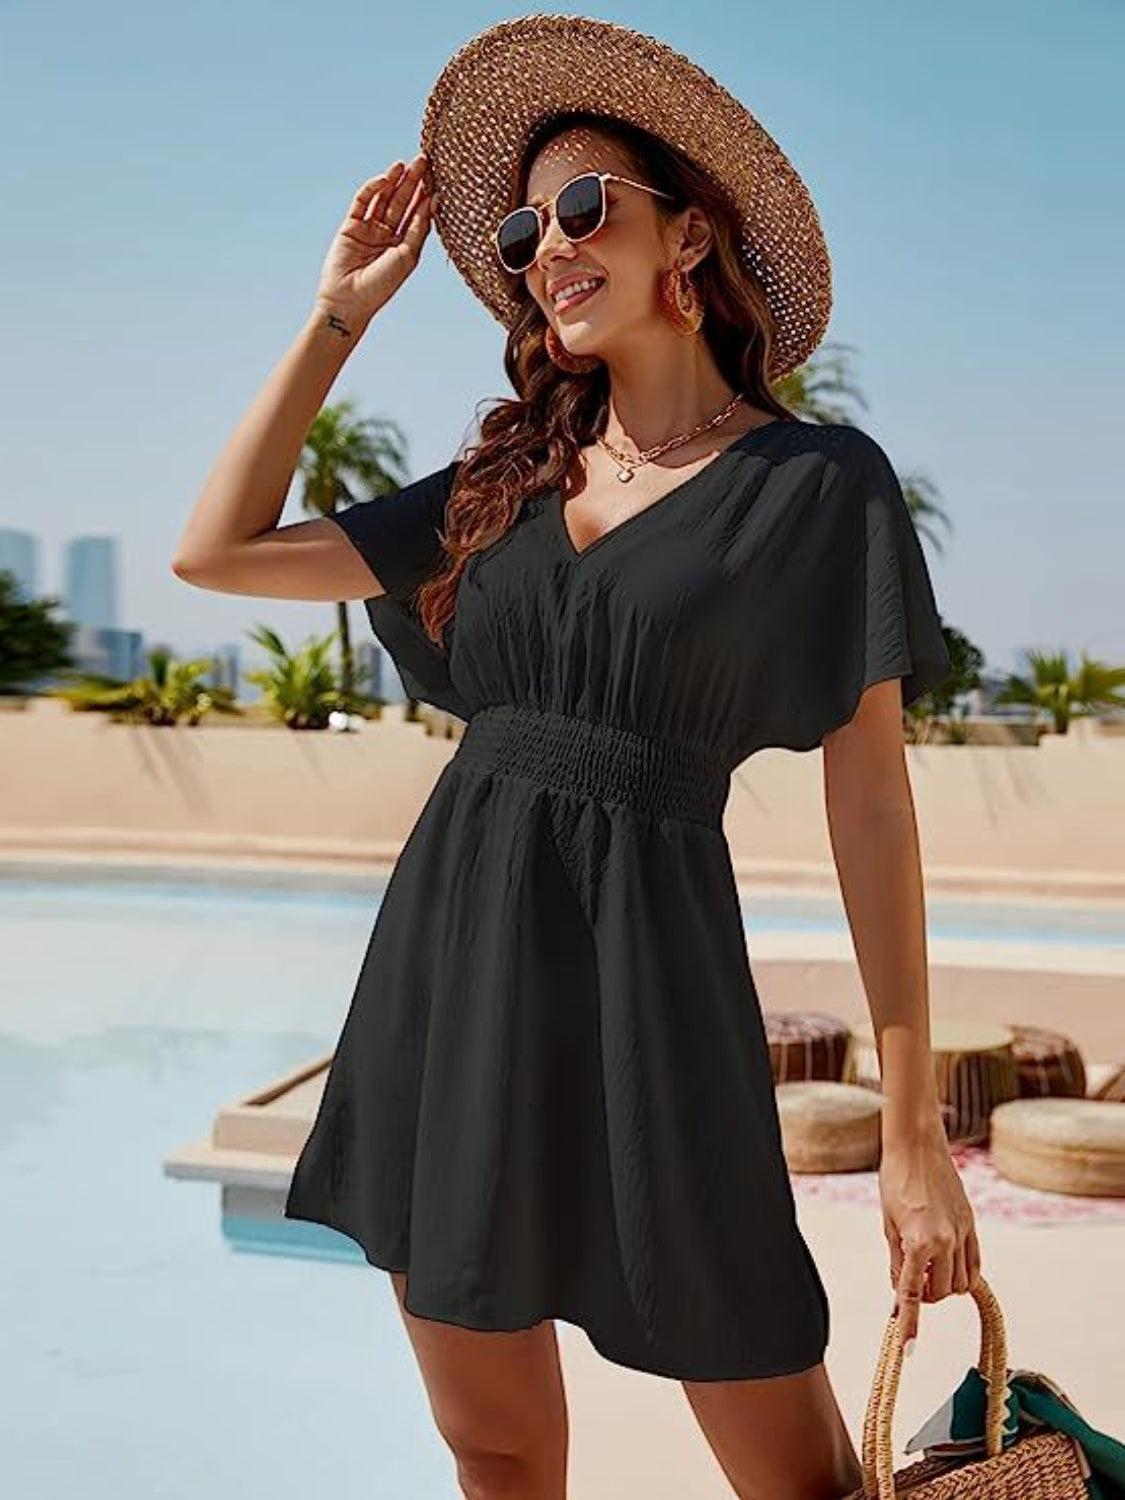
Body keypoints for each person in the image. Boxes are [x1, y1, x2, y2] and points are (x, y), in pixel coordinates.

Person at [172, 16, 982, 1499]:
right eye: (522, 226)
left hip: (654, 994)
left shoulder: (814, 487)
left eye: (587, 207)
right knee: (493, 1446)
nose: (544, 244)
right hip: (452, 978)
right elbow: (215, 549)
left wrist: (914, 1136)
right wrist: (337, 314)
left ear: (691, 238)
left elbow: (871, 807)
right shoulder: (500, 487)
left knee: (794, 1475)